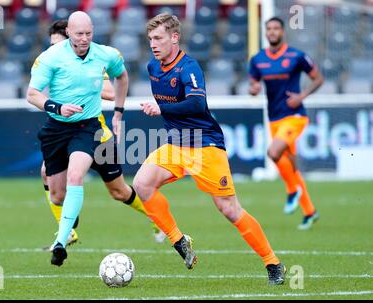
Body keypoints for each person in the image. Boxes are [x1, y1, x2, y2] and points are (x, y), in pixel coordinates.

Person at [133, 13, 286, 285]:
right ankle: (179, 241)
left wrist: (161, 108)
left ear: (174, 38)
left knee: (229, 209)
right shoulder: (153, 68)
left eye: (158, 38)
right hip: (176, 144)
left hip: (205, 144)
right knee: (142, 184)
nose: (153, 44)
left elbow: (196, 105)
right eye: (150, 39)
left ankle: (273, 263)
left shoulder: (189, 67)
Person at [39, 20, 166, 250]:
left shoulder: (91, 62)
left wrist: (85, 89)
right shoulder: (54, 61)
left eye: (55, 44)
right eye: (50, 45)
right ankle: (67, 231)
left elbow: (109, 90)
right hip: (67, 133)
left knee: (119, 191)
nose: (52, 49)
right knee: (48, 174)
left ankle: (156, 216)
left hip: (97, 136)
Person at [27, 11, 135, 267]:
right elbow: (32, 94)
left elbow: (122, 76)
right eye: (79, 34)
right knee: (56, 196)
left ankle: (61, 243)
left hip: (87, 127)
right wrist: (57, 107)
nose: (84, 38)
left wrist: (118, 111)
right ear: (69, 33)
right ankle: (68, 221)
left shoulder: (106, 54)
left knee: (77, 175)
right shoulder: (50, 58)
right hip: (57, 128)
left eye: (88, 33)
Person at [248, 17, 324, 230]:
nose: (272, 32)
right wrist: (253, 90)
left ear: (282, 32)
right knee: (291, 166)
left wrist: (302, 96)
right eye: (269, 29)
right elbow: (253, 85)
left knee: (273, 153)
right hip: (274, 119)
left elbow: (318, 79)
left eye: (276, 28)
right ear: (265, 33)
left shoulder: (297, 56)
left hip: (295, 116)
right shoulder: (258, 60)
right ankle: (310, 212)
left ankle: (292, 191)